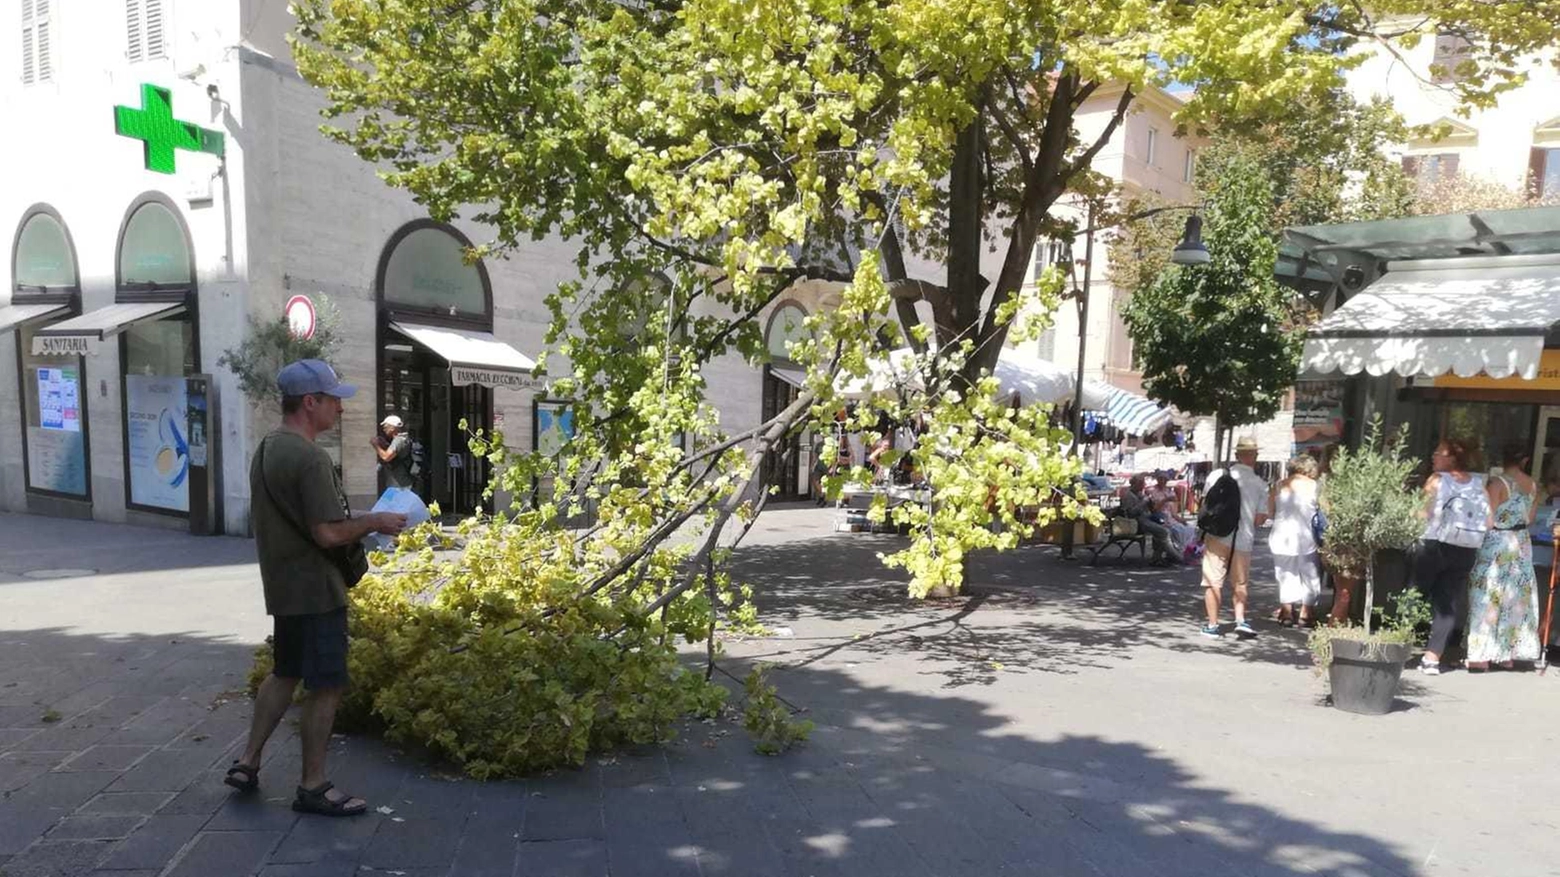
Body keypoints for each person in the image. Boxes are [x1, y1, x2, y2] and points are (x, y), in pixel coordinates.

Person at [227, 360, 407, 816]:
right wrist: (375, 521)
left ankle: (247, 762)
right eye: (333, 400)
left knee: (285, 670)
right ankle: (313, 784)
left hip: (283, 585)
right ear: (311, 403)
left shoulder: (268, 448)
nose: (340, 410)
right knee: (326, 685)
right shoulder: (309, 457)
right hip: (315, 590)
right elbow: (327, 533)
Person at [1415, 438, 1489, 676]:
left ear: (1452, 459)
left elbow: (1420, 513)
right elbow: (1489, 521)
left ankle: (1396, 643)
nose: (1433, 457)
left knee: (1413, 594)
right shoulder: (1478, 484)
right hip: (1465, 549)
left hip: (1434, 545)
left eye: (1438, 453)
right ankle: (1432, 659)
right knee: (1446, 604)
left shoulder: (1437, 480)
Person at [1465, 444, 1542, 670]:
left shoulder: (1497, 483)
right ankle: (1507, 653)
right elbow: (1530, 519)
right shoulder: (1533, 485)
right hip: (1521, 543)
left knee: (1487, 593)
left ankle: (1481, 655)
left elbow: (1488, 519)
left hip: (1498, 542)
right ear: (1525, 461)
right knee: (1515, 598)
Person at [1199, 436, 1270, 638]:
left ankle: (1213, 625)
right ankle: (1240, 620)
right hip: (1243, 539)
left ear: (1237, 455)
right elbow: (1260, 519)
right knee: (1240, 583)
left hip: (1217, 536)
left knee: (1213, 581)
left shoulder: (1218, 474)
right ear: (1255, 456)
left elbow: (1206, 503)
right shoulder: (1260, 484)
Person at [1269, 454, 1323, 627]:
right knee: (1310, 574)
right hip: (1307, 536)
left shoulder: (1278, 486)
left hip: (1281, 535)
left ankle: (1286, 611)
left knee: (1285, 573)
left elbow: (1270, 512)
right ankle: (1306, 612)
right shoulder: (1316, 487)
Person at [1121, 474, 1175, 566]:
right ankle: (1173, 555)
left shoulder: (1139, 493)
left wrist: (1151, 503)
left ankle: (1157, 557)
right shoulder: (1128, 495)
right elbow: (1130, 513)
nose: (1143, 486)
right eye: (1141, 484)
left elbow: (1150, 509)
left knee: (1164, 527)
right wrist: (1144, 502)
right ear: (1135, 484)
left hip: (1145, 519)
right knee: (1163, 532)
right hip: (1135, 522)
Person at [371, 414, 416, 490]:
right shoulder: (403, 439)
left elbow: (386, 457)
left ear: (392, 428)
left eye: (385, 427)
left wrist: (376, 445)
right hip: (399, 482)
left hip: (399, 484)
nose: (384, 430)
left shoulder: (399, 440)